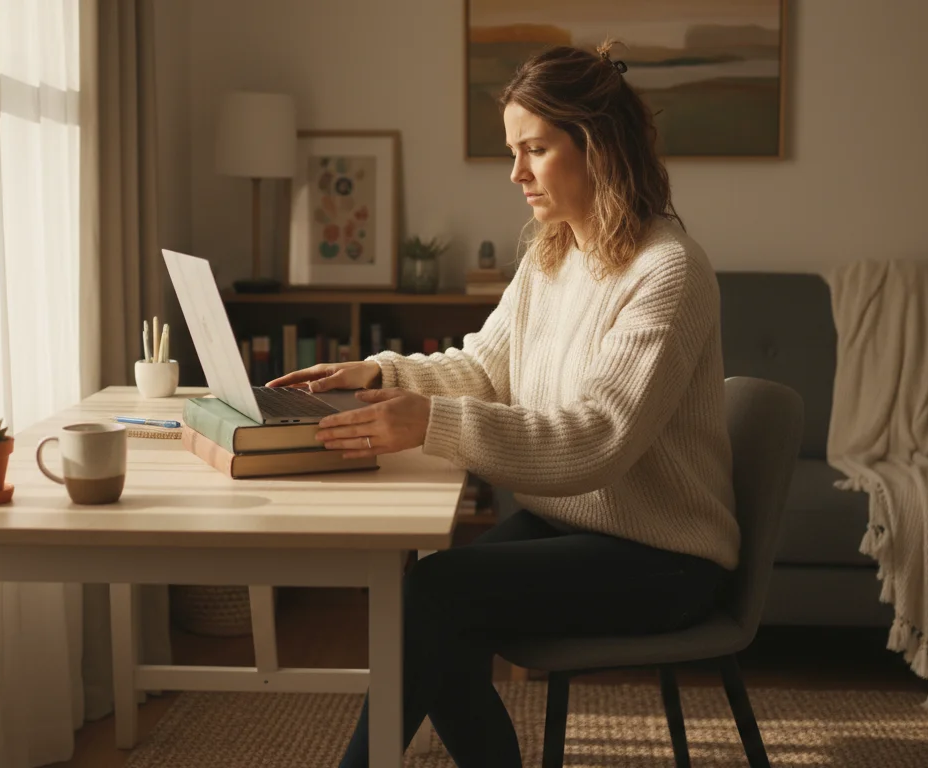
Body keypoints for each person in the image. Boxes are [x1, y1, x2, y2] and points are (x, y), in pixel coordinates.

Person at [266, 39, 738, 768]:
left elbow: (597, 439)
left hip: (664, 558)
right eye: (513, 150)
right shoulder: (555, 252)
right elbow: (484, 367)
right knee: (427, 599)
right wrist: (379, 375)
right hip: (568, 527)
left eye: (536, 149)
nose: (516, 172)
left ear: (599, 147)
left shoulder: (669, 271)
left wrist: (427, 421)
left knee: (433, 598)